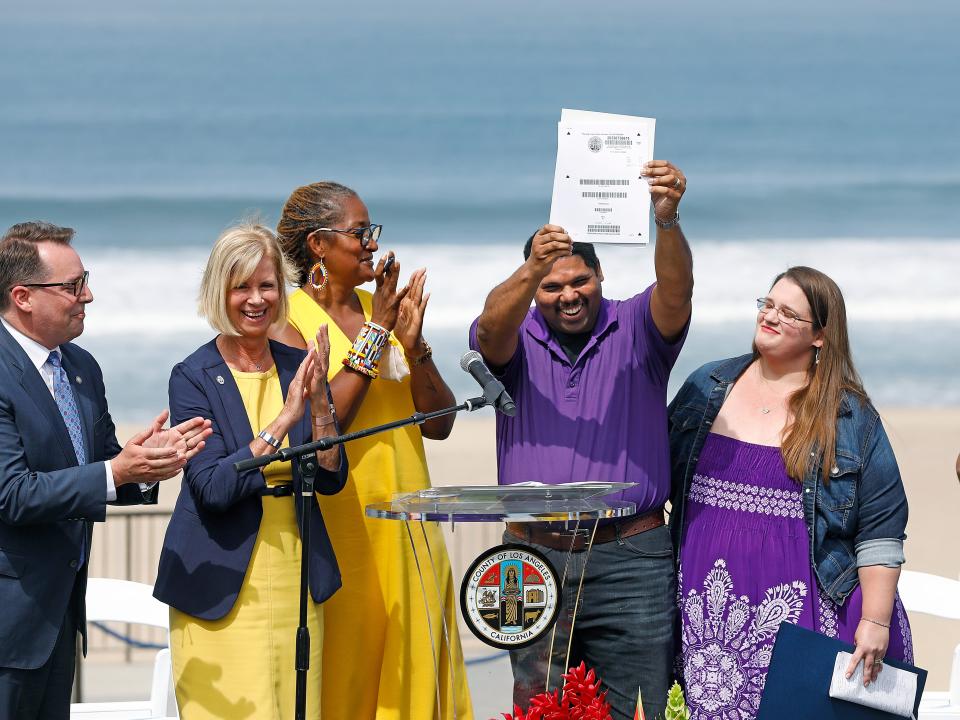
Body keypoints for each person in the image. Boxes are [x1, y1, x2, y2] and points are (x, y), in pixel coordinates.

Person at [470, 160, 693, 720]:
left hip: (631, 556)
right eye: (551, 285)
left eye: (579, 281)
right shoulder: (515, 336)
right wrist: (530, 268)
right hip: (530, 555)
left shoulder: (637, 326)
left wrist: (665, 220)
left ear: (600, 279)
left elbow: (677, 288)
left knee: (640, 709)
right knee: (540, 709)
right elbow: (489, 330)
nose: (568, 294)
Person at [668, 266, 913, 719]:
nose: (770, 317)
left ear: (820, 335)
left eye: (788, 313)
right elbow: (655, 469)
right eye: (767, 305)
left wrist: (875, 621)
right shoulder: (707, 387)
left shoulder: (847, 415)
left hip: (804, 610)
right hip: (705, 608)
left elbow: (881, 525)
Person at [273, 182, 472, 719]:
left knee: (418, 658)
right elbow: (326, 422)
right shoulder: (288, 322)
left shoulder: (377, 307)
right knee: (352, 668)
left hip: (410, 518)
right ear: (318, 245)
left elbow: (439, 424)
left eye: (370, 232)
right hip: (345, 525)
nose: (370, 244)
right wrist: (378, 330)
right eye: (359, 233)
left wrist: (415, 345)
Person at [0, 221, 211, 720]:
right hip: (9, 624)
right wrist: (116, 472)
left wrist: (148, 463)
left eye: (85, 279)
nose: (87, 295)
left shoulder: (80, 366)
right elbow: (13, 494)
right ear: (23, 296)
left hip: (59, 616)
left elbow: (102, 462)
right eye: (72, 286)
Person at [153, 224, 346, 720]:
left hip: (295, 576)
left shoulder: (299, 364)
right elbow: (213, 487)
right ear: (220, 291)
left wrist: (320, 403)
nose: (256, 299)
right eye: (242, 286)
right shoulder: (192, 376)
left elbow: (330, 476)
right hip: (221, 581)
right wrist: (283, 420)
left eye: (267, 285)